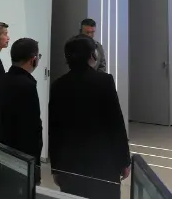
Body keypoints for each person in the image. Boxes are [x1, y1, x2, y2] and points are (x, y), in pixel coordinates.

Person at [49, 36, 130, 199]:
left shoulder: (58, 85)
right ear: (92, 55)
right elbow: (116, 123)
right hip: (103, 161)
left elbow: (54, 130)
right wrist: (123, 160)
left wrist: (56, 167)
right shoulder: (104, 81)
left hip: (70, 164)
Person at [0, 38, 42, 183]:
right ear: (33, 59)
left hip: (0, 150)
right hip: (21, 157)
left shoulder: (1, 80)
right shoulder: (27, 85)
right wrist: (35, 165)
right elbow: (32, 129)